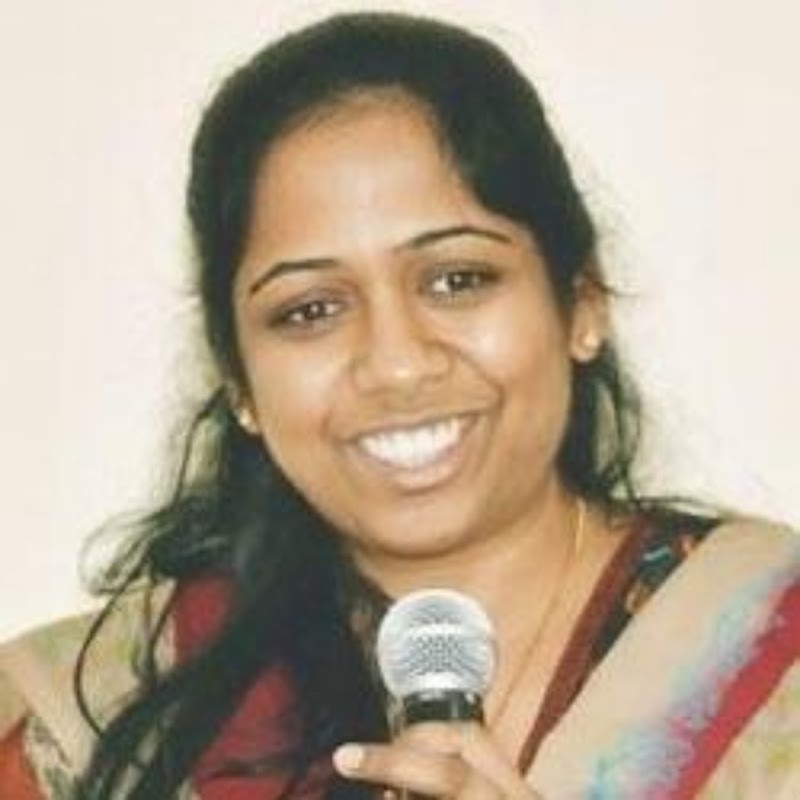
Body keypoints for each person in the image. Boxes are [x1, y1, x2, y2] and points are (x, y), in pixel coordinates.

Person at [1, 11, 798, 800]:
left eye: (457, 280)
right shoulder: (93, 723)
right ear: (239, 381)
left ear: (581, 304)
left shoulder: (773, 660)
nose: (396, 364)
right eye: (311, 310)